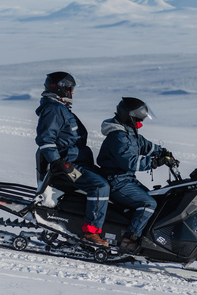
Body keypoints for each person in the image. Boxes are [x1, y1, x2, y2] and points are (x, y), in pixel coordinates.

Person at [35, 71, 110, 246]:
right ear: (60, 89)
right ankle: (90, 233)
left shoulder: (60, 108)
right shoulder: (54, 109)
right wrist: (58, 162)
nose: (72, 92)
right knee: (99, 186)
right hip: (67, 167)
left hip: (76, 163)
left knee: (108, 180)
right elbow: (45, 139)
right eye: (69, 88)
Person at [97, 97, 178, 252]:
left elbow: (144, 144)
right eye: (138, 118)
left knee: (155, 197)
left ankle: (142, 235)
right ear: (129, 115)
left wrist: (162, 152)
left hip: (126, 179)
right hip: (116, 181)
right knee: (148, 203)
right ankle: (129, 241)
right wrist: (156, 162)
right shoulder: (118, 136)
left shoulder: (129, 132)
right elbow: (129, 162)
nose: (141, 122)